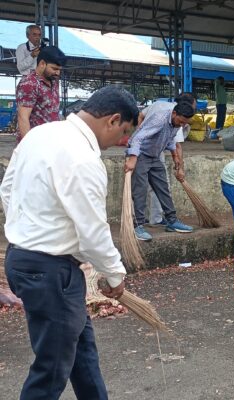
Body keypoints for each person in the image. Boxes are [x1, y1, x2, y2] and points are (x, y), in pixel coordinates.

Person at [1, 85, 138, 399]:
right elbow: (93, 231)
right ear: (113, 120)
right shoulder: (84, 159)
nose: (122, 141)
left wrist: (28, 228)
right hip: (51, 272)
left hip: (24, 260)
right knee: (51, 369)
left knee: (81, 352)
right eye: (124, 131)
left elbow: (7, 190)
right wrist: (115, 275)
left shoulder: (39, 134)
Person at [125, 101, 195, 241]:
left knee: (163, 188)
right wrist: (133, 158)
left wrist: (175, 156)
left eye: (184, 123)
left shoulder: (176, 123)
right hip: (141, 154)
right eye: (181, 122)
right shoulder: (159, 119)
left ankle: (172, 221)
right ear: (174, 113)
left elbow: (170, 139)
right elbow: (138, 137)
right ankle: (138, 225)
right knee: (140, 190)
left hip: (155, 155)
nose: (182, 125)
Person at [139, 93, 197, 226]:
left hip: (151, 150)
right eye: (194, 106)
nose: (182, 125)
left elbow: (141, 115)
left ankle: (151, 219)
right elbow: (177, 145)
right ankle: (150, 221)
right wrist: (180, 168)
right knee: (152, 187)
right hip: (147, 151)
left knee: (151, 187)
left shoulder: (159, 104)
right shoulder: (177, 117)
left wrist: (140, 132)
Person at [15, 45, 66, 143]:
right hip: (35, 142)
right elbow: (23, 118)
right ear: (42, 63)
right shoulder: (29, 84)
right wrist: (28, 145)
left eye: (59, 69)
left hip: (50, 140)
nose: (58, 73)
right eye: (54, 69)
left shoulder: (54, 82)